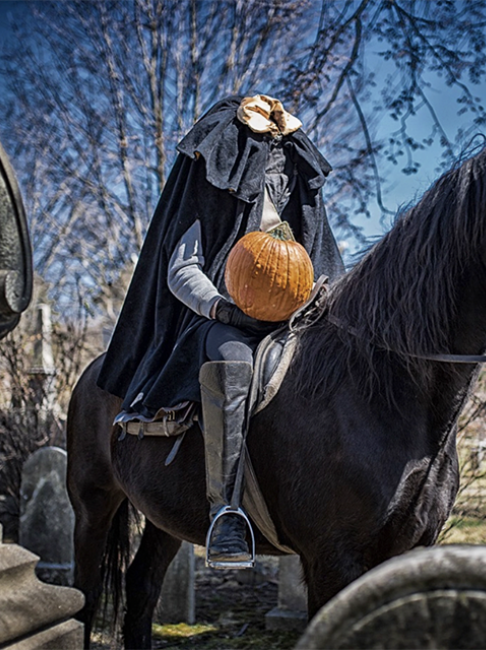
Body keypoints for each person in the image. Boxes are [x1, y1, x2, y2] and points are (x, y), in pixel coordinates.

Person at [97, 95, 344, 565]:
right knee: (234, 361)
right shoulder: (210, 191)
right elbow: (182, 269)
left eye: (279, 154)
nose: (275, 163)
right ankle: (226, 512)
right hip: (220, 322)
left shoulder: (300, 197)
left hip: (295, 321)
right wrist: (222, 310)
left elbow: (322, 265)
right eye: (265, 153)